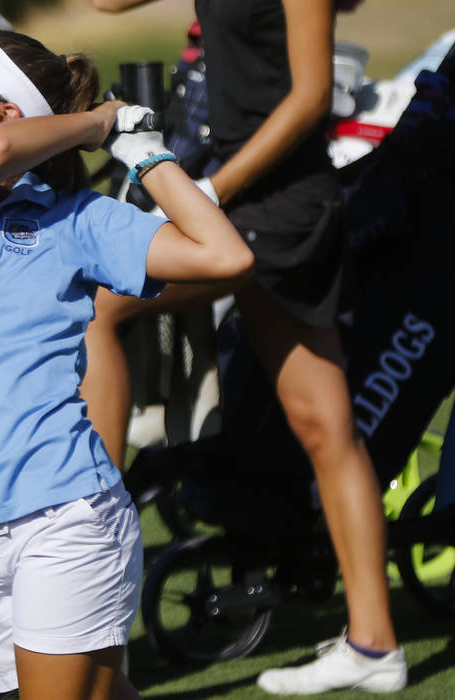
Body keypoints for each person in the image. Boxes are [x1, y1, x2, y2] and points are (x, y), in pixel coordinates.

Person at [0, 24, 252, 700]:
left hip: (62, 512)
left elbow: (225, 257)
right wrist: (92, 124)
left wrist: (145, 154)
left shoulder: (78, 219)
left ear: (9, 109)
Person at [89, 0, 408, 694]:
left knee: (100, 308)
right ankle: (376, 647)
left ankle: (82, 579)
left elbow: (310, 95)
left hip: (275, 206)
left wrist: (213, 190)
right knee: (325, 428)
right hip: (254, 206)